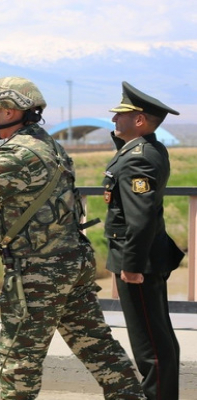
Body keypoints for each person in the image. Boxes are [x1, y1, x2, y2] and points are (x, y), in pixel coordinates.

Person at [0, 77, 145, 399]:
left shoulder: (15, 154)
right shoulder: (48, 143)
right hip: (71, 261)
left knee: (20, 360)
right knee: (97, 346)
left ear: (9, 111)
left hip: (38, 271)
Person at [103, 81, 184, 400]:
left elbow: (141, 217)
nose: (114, 120)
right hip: (142, 258)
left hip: (138, 262)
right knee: (158, 338)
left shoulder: (139, 157)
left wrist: (132, 266)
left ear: (139, 120)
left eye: (121, 116)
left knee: (150, 345)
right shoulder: (143, 150)